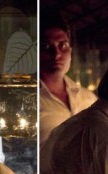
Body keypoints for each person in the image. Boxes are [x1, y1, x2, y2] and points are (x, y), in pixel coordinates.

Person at [39, 11, 97, 146]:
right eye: (47, 47)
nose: (56, 54)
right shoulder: (30, 102)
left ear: (70, 50)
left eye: (62, 45)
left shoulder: (88, 99)